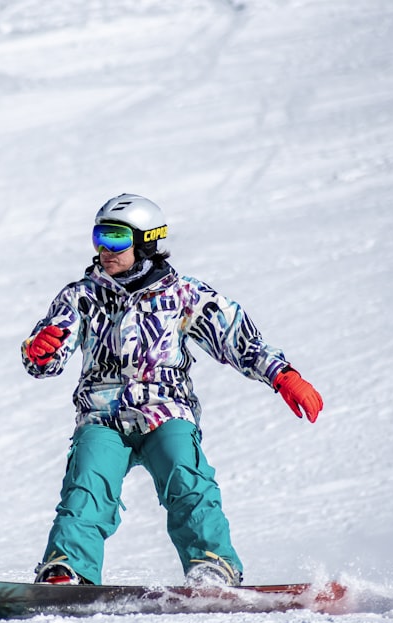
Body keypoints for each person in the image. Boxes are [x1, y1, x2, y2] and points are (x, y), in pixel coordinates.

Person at [21, 194, 323, 587]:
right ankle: (68, 568)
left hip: (166, 410)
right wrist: (39, 350)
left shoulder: (183, 295)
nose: (103, 250)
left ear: (146, 241)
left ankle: (212, 563)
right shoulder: (81, 296)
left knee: (187, 478)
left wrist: (282, 374)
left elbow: (234, 337)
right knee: (87, 486)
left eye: (115, 239)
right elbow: (48, 357)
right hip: (102, 415)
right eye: (99, 237)